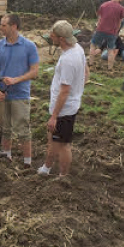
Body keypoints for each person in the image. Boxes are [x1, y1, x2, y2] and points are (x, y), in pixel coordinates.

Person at [0, 13, 41, 164]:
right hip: (1, 95)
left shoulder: (29, 46)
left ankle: (27, 162)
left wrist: (15, 80)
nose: (0, 28)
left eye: (3, 25)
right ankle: (7, 156)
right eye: (0, 25)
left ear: (14, 26)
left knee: (23, 129)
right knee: (4, 128)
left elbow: (34, 72)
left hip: (20, 94)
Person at [41, 20, 86, 177]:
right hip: (66, 105)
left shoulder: (68, 60)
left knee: (63, 145)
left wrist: (54, 116)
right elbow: (86, 71)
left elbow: (65, 91)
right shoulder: (77, 48)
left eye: (52, 35)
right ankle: (47, 167)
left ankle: (63, 176)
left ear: (61, 38)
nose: (50, 37)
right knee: (52, 137)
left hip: (64, 110)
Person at [91, 0, 124, 69]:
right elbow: (120, 23)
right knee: (110, 50)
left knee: (93, 45)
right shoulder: (121, 8)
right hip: (112, 32)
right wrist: (116, 31)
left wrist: (97, 28)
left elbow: (99, 19)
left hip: (100, 29)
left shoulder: (103, 5)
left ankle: (90, 63)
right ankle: (110, 68)